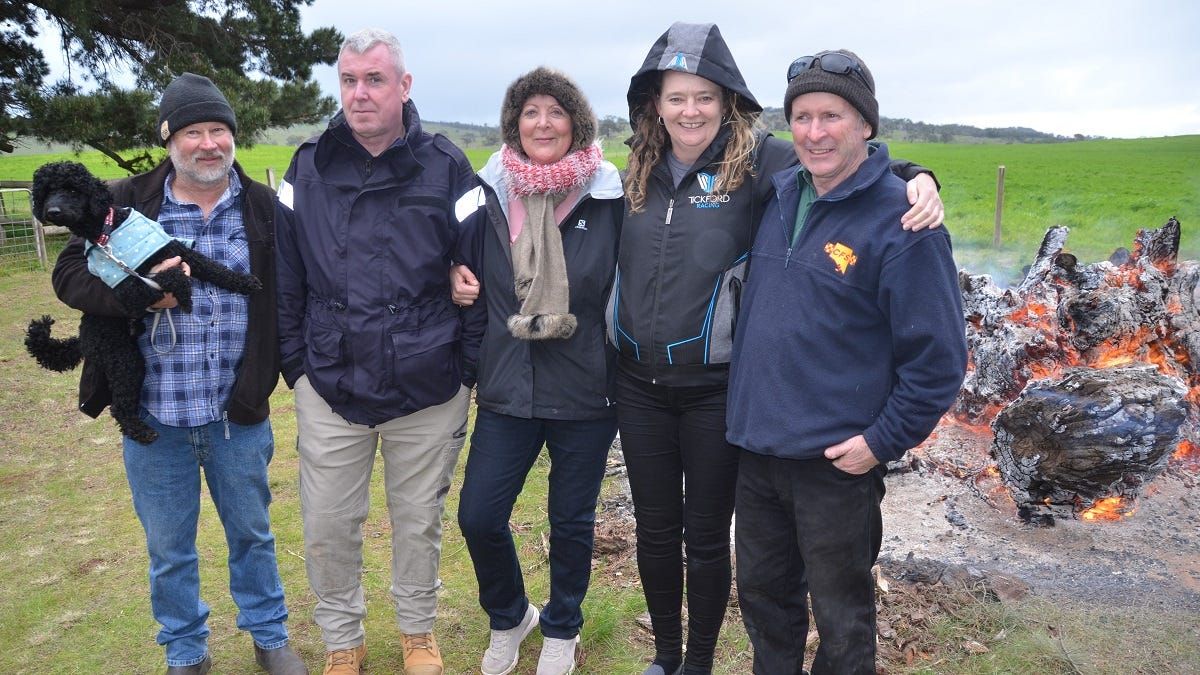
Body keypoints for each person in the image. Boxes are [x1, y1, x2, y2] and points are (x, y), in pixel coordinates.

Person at [609, 23, 945, 675]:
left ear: (727, 98)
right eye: (677, 96)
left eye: (705, 96)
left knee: (708, 538)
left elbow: (849, 164)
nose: (690, 110)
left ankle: (700, 660)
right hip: (641, 387)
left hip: (716, 393)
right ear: (655, 101)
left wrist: (917, 175)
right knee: (659, 533)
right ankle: (666, 657)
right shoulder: (637, 166)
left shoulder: (758, 160)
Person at [50, 73, 306, 675]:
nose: (209, 143)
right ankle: (186, 650)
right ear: (170, 140)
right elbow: (68, 276)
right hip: (154, 414)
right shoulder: (125, 202)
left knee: (253, 535)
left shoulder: (265, 208)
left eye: (219, 130)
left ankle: (270, 638)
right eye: (194, 132)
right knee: (169, 549)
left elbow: (290, 292)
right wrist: (137, 295)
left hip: (235, 412)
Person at [726, 50, 968, 674]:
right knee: (764, 601)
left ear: (865, 124)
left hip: (835, 465)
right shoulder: (780, 194)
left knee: (841, 617)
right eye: (801, 116)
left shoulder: (904, 222)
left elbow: (939, 361)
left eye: (831, 114)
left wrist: (880, 442)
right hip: (757, 453)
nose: (814, 132)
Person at [274, 28, 483, 675]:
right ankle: (343, 639)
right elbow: (287, 275)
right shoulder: (305, 167)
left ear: (404, 86)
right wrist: (297, 366)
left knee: (418, 521)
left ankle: (418, 633)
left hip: (428, 386)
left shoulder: (449, 166)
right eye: (349, 80)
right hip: (331, 384)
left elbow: (480, 274)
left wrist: (466, 369)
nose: (359, 93)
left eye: (374, 79)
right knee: (328, 525)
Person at [452, 67, 623, 675]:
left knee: (570, 521)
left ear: (576, 122)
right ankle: (510, 617)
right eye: (531, 112)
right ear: (514, 124)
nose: (543, 123)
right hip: (507, 383)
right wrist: (453, 272)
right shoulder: (489, 189)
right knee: (478, 515)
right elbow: (444, 245)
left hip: (585, 387)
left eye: (556, 112)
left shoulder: (612, 194)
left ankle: (562, 628)